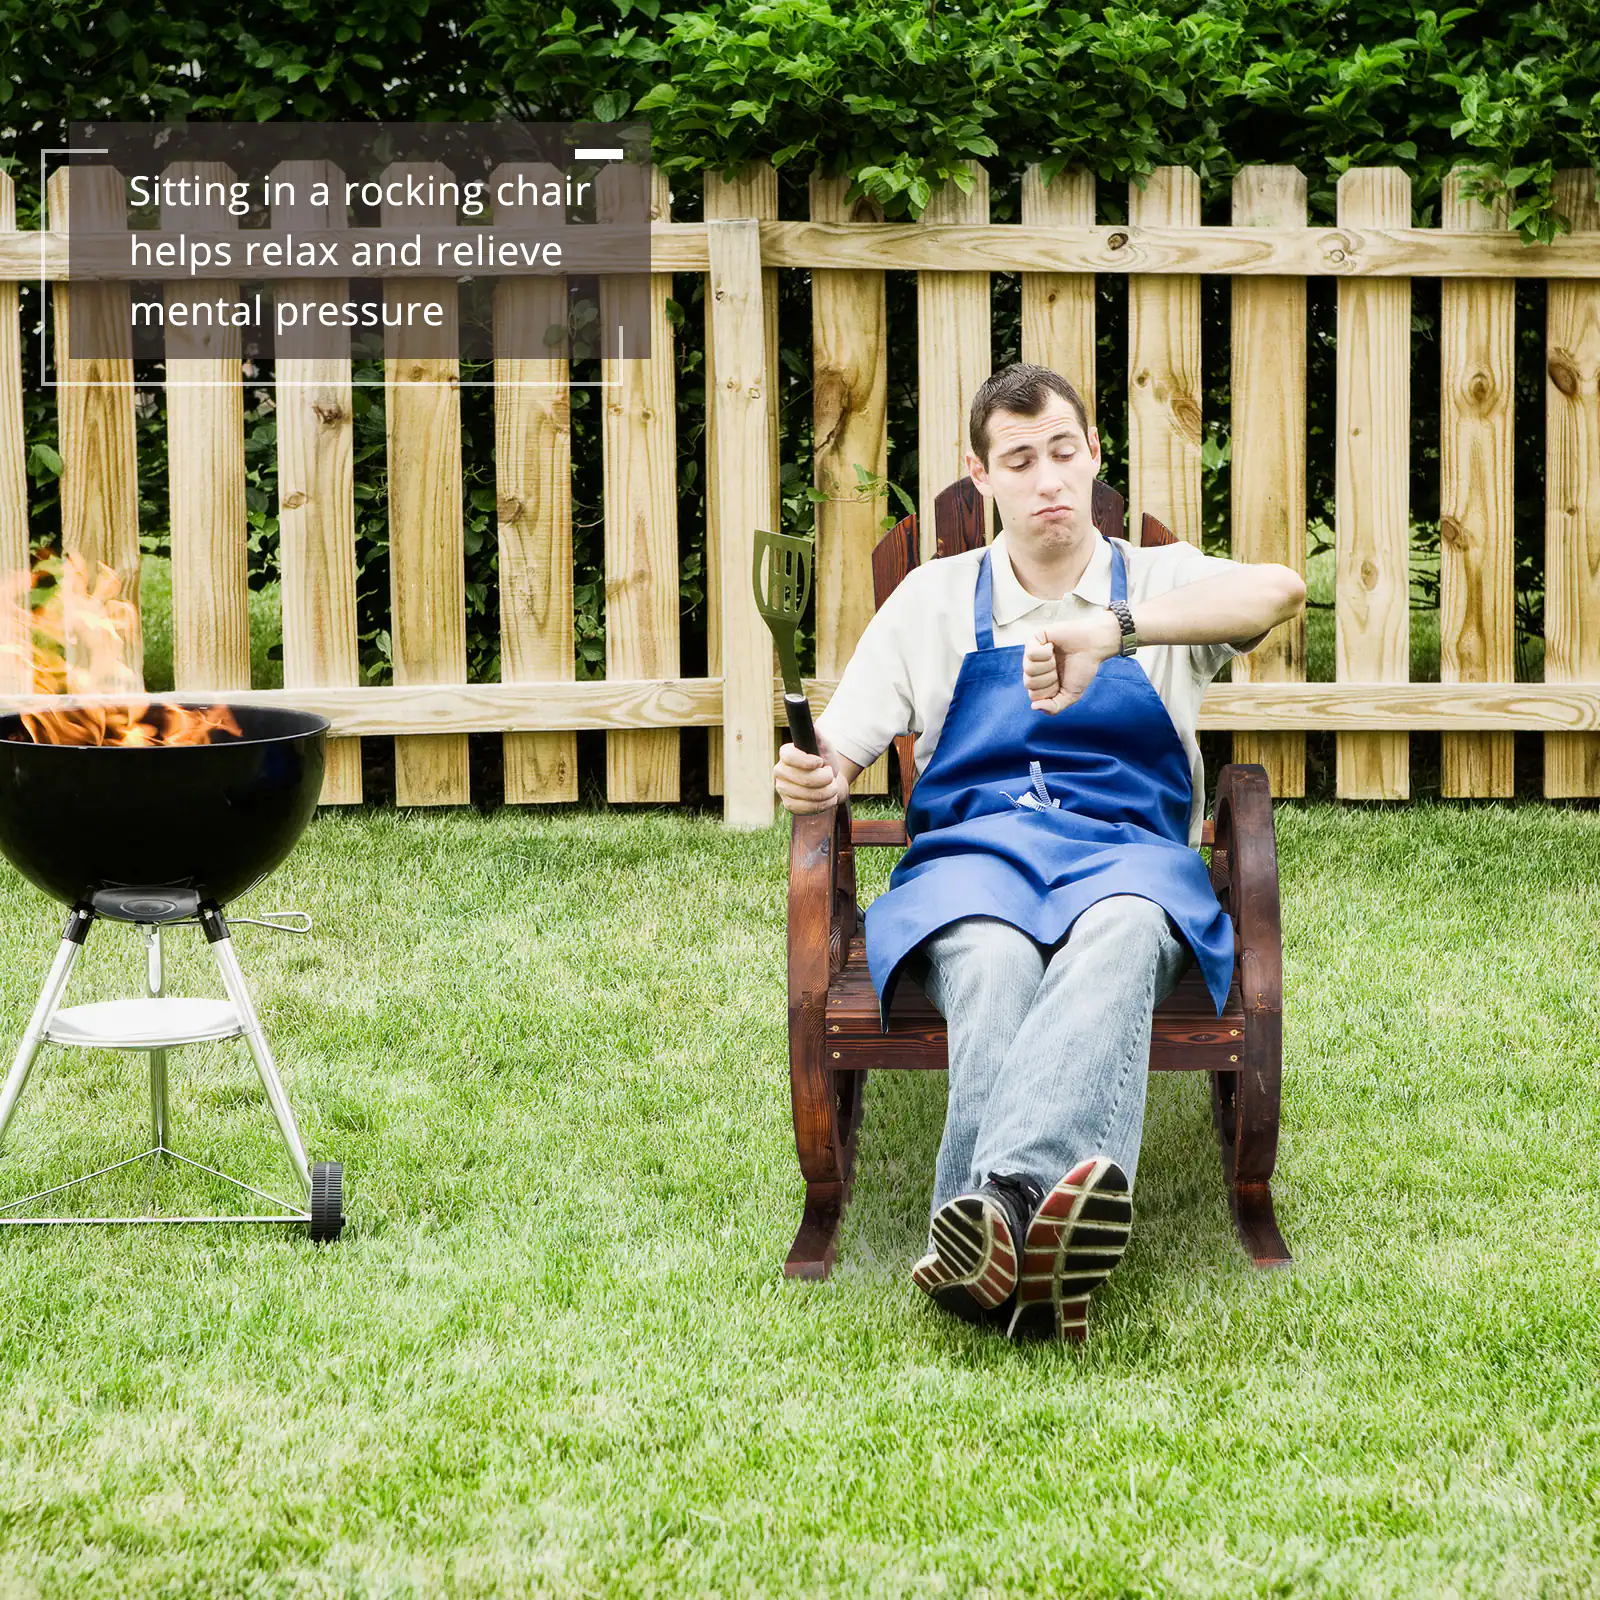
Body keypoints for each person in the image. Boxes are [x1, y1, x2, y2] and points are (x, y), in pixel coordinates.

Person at [772, 363, 1306, 1342]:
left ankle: (992, 1214)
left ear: (1094, 454)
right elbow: (834, 756)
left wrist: (1114, 630)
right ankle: (1028, 1228)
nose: (1048, 478)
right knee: (988, 951)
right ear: (981, 476)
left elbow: (1278, 589)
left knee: (1119, 933)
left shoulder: (1153, 582)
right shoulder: (932, 601)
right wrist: (813, 776)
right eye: (1020, 460)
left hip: (1125, 857)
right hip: (971, 863)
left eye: (1064, 451)